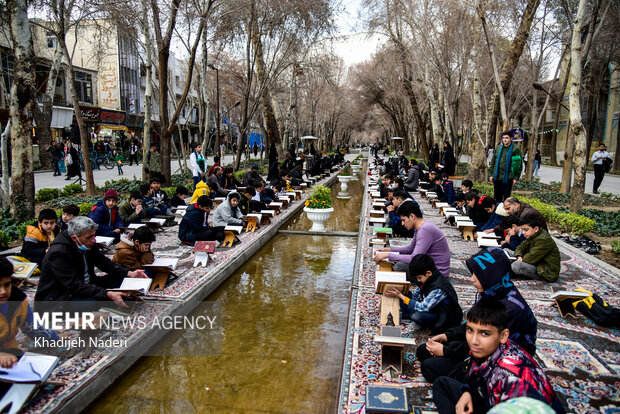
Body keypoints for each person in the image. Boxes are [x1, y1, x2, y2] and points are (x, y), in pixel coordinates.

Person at [417, 248, 538, 384]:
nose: (471, 279)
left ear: (491, 275)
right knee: (424, 350)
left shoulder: (510, 310)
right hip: (481, 345)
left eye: (478, 275)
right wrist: (447, 336)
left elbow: (488, 349)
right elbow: (474, 326)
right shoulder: (491, 291)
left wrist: (446, 351)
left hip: (500, 360)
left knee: (430, 368)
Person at [432, 298, 563, 414]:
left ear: (503, 336)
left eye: (484, 334)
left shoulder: (511, 379)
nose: (474, 340)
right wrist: (468, 392)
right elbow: (476, 372)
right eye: (470, 330)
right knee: (441, 383)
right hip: (489, 396)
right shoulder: (490, 348)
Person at [34, 217, 148, 312]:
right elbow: (74, 285)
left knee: (121, 279)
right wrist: (106, 294)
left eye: (94, 235)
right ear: (75, 238)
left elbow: (104, 263)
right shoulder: (58, 252)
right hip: (61, 296)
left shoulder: (87, 242)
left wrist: (129, 273)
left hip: (88, 284)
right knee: (94, 304)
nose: (94, 240)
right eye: (89, 237)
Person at [0, 257, 59, 368]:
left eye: (6, 285)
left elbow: (32, 328)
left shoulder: (18, 300)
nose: (3, 292)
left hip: (10, 351)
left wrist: (56, 338)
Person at [383, 255, 462, 333]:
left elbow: (423, 307)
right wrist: (402, 292)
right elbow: (415, 296)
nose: (418, 280)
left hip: (443, 315)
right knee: (404, 293)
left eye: (419, 278)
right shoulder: (428, 279)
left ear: (428, 273)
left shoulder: (438, 288)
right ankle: (409, 314)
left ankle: (422, 321)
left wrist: (401, 296)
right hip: (431, 307)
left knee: (417, 316)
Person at [374, 201, 451, 278]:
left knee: (400, 266)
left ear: (412, 216)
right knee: (400, 263)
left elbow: (413, 258)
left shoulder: (425, 230)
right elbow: (410, 249)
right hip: (429, 267)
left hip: (437, 273)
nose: (402, 224)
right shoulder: (420, 228)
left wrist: (388, 255)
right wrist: (389, 250)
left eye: (403, 220)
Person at [512, 213, 561, 282]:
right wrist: (519, 256)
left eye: (526, 230)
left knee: (516, 266)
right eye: (522, 230)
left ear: (536, 229)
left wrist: (520, 259)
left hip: (545, 272)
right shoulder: (532, 235)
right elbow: (519, 248)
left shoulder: (543, 239)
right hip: (536, 263)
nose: (523, 233)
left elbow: (529, 258)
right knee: (507, 251)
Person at [489, 131, 522, 201]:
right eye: (503, 138)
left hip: (508, 177)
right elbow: (493, 162)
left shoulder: (515, 149)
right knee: (497, 197)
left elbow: (518, 165)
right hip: (497, 177)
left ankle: (505, 211)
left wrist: (516, 178)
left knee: (506, 197)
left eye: (507, 138)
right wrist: (491, 174)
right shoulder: (498, 148)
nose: (505, 140)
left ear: (511, 138)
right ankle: (497, 211)